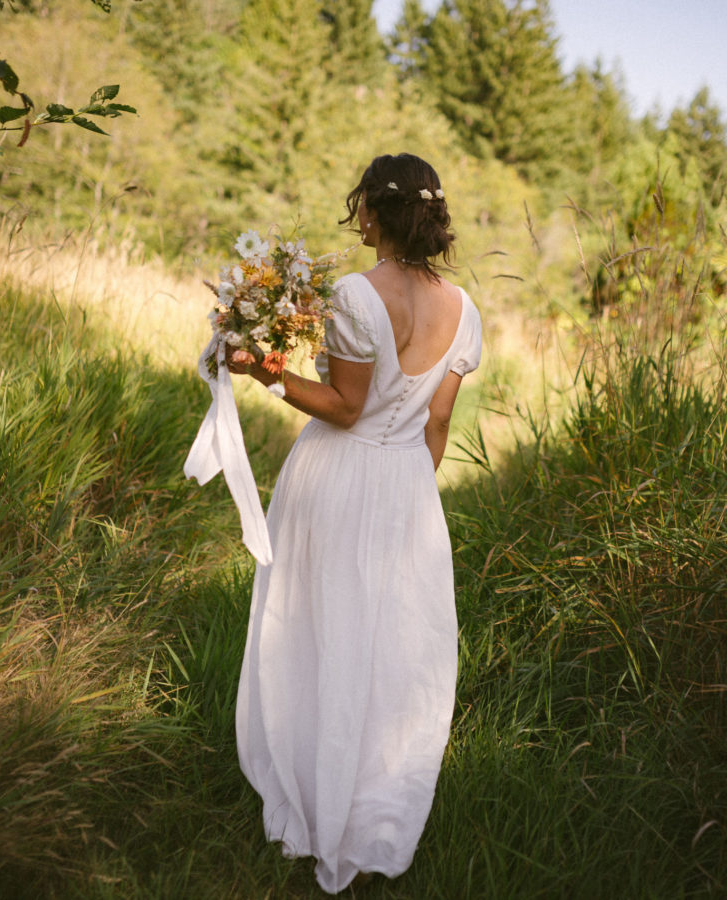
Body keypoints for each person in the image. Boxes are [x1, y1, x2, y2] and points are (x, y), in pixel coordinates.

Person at [225, 153, 482, 894]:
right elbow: (436, 424)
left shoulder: (354, 294)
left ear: (378, 209)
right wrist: (405, 495)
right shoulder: (464, 310)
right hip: (408, 487)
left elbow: (344, 407)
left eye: (361, 204)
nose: (356, 217)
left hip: (338, 476)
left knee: (314, 631)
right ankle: (369, 800)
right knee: (386, 647)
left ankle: (315, 795)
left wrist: (266, 373)